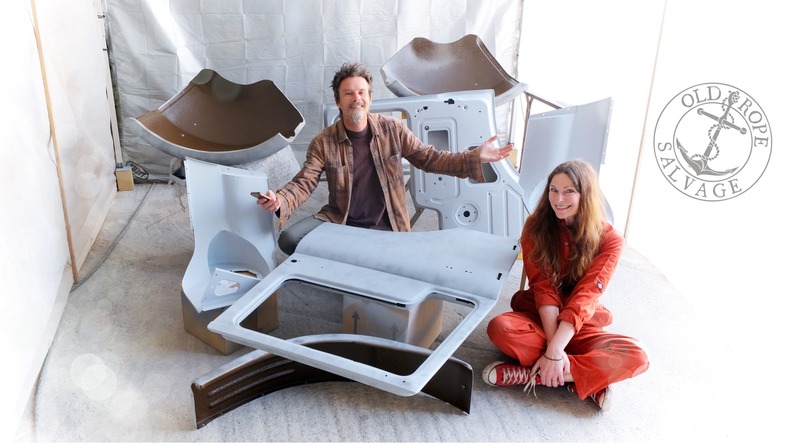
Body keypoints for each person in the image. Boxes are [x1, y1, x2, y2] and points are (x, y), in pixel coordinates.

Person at [257, 62, 513, 254]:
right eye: (348, 93)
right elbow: (305, 181)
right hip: (341, 220)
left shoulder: (393, 129)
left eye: (361, 92)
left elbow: (430, 158)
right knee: (290, 240)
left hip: (388, 222)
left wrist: (475, 157)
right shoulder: (323, 140)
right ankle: (346, 254)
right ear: (338, 101)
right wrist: (280, 200)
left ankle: (356, 255)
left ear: (369, 98)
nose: (356, 98)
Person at [481, 159, 649, 411]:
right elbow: (543, 289)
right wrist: (554, 350)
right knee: (500, 328)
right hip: (541, 318)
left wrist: (555, 354)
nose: (559, 199)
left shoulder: (610, 240)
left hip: (582, 324)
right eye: (553, 190)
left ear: (586, 195)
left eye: (569, 191)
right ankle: (584, 376)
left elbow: (586, 295)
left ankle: (533, 376)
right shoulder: (536, 226)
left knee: (637, 356)